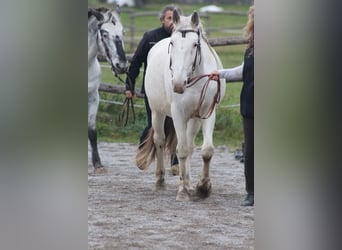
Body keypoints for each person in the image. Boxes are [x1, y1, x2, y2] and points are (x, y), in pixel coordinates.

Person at [125, 5, 181, 173]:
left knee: (177, 126)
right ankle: (143, 154)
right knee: (154, 125)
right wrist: (129, 86)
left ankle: (175, 162)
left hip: (176, 92)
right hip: (155, 92)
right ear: (162, 20)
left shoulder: (182, 39)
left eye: (174, 18)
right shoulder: (151, 37)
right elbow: (136, 62)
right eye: (169, 18)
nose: (172, 22)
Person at [209, 5, 254, 206]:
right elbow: (242, 72)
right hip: (250, 106)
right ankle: (252, 192)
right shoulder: (251, 49)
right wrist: (219, 74)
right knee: (251, 152)